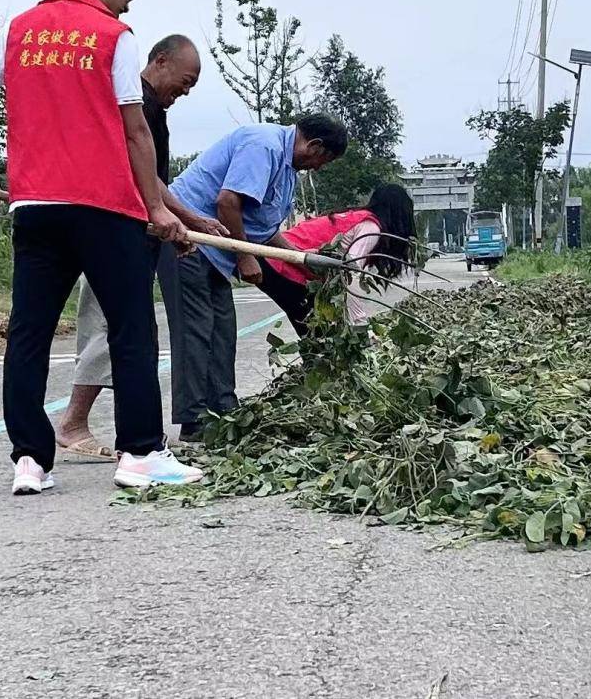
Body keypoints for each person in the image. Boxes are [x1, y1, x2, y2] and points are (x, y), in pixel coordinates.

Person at [0, 0, 203, 495]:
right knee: (132, 328)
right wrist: (156, 207)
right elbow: (135, 129)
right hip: (103, 208)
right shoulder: (113, 35)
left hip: (36, 207)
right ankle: (139, 454)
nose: (130, 1)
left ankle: (30, 460)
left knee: (30, 333)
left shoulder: (20, 29)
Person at [55, 34, 228, 461]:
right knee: (110, 329)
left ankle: (135, 433)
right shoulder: (136, 105)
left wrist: (182, 223)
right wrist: (183, 218)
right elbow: (140, 177)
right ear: (160, 60)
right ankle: (74, 423)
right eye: (185, 81)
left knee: (132, 334)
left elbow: (152, 180)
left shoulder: (152, 109)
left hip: (134, 231)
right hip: (110, 231)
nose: (184, 92)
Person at [166, 114, 348, 439]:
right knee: (195, 334)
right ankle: (194, 422)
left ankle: (224, 413)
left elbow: (266, 228)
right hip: (188, 243)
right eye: (324, 160)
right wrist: (245, 255)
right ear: (315, 145)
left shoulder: (288, 169)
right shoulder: (264, 145)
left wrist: (303, 261)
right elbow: (228, 202)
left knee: (222, 332)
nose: (319, 167)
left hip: (217, 254)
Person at [256, 183, 416, 334]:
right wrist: (359, 323)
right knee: (319, 333)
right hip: (281, 262)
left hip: (276, 258)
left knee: (319, 329)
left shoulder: (356, 217)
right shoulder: (371, 227)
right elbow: (351, 271)